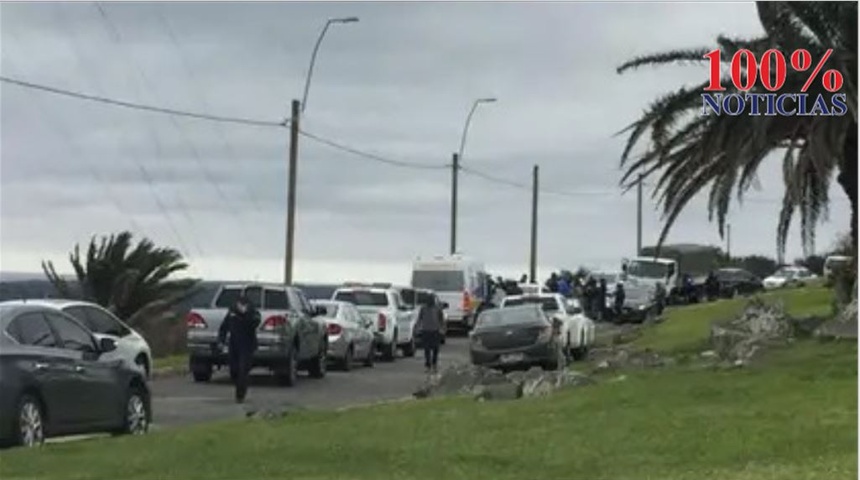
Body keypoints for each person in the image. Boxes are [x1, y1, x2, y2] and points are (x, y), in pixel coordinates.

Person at [218, 294, 261, 403]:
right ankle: (239, 383)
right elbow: (224, 327)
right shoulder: (232, 313)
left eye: (243, 305)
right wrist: (221, 341)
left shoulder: (253, 313)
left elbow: (255, 323)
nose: (240, 307)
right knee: (234, 369)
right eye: (239, 304)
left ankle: (240, 395)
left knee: (243, 369)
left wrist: (245, 315)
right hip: (234, 344)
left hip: (247, 344)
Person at [415, 294, 445, 374]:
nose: (430, 301)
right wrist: (418, 328)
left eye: (431, 300)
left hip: (435, 331)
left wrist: (442, 328)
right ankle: (428, 365)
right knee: (427, 349)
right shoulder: (423, 308)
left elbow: (441, 319)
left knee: (435, 349)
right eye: (429, 300)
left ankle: (434, 365)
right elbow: (419, 319)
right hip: (426, 330)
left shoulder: (437, 308)